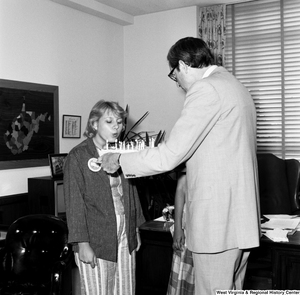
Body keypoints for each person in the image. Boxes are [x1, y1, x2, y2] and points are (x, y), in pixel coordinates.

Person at [101, 37, 261, 294]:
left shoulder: (207, 89)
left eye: (175, 76)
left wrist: (120, 159)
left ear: (183, 65)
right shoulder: (237, 87)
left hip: (217, 225)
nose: (179, 84)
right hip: (240, 221)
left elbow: (171, 154)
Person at [63, 100, 145, 295]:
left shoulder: (121, 152)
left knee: (126, 289)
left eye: (119, 121)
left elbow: (131, 191)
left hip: (125, 235)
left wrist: (136, 229)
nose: (117, 126)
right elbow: (74, 203)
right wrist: (82, 244)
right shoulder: (78, 156)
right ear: (94, 124)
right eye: (109, 121)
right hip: (96, 239)